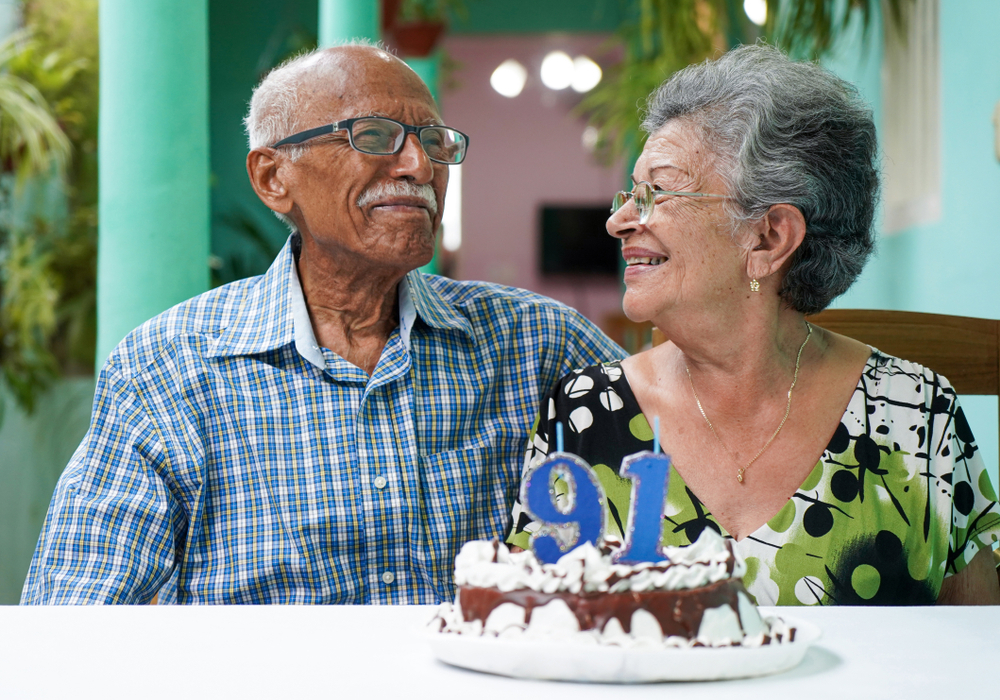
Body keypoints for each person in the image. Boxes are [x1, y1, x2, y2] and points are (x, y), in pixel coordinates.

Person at [22, 43, 625, 604]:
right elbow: (78, 617)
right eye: (374, 136)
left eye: (434, 141)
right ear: (272, 178)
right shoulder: (170, 367)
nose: (419, 165)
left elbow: (683, 501)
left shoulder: (539, 343)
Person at [508, 44, 1000, 605]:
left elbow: (980, 650)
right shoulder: (583, 412)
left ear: (769, 238)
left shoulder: (917, 414)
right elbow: (540, 630)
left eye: (658, 192)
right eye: (629, 195)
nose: (618, 221)